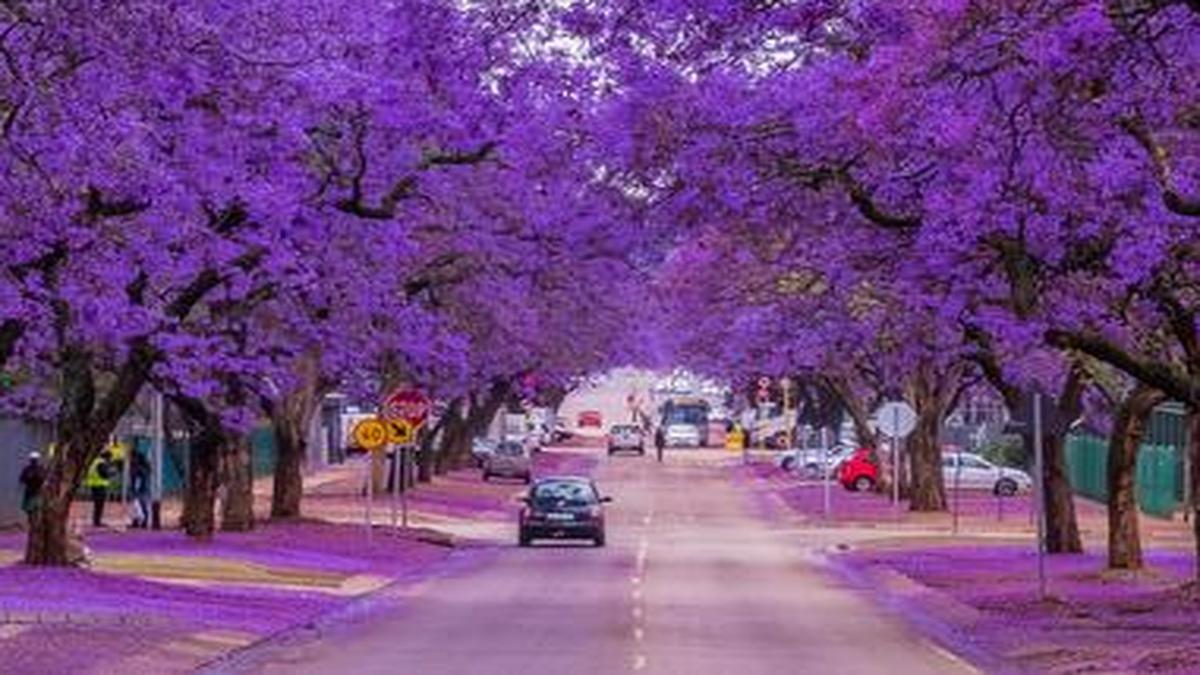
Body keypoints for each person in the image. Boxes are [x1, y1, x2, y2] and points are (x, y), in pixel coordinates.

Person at [85, 451, 115, 527]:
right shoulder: (101, 463)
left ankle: (96, 520)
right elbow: (104, 474)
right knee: (99, 504)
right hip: (99, 485)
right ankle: (97, 521)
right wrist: (112, 473)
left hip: (94, 484)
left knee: (97, 504)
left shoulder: (95, 462)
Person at [18, 451, 46, 527]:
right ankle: (34, 522)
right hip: (35, 492)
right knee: (35, 509)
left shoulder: (27, 469)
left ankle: (33, 522)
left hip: (32, 492)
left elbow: (21, 480)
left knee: (33, 510)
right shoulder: (40, 469)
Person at [128, 449, 151, 528]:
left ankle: (141, 520)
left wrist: (135, 488)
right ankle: (138, 521)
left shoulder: (138, 467)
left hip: (139, 488)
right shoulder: (140, 466)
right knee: (139, 504)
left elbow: (138, 478)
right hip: (140, 487)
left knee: (139, 504)